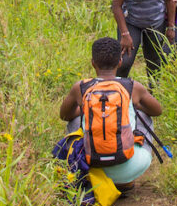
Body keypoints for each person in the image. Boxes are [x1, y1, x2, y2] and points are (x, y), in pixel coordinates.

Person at [59, 37, 163, 191]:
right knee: (144, 115)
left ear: (93, 62)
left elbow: (64, 115)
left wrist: (88, 109)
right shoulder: (133, 86)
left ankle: (91, 175)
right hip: (132, 166)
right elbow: (157, 110)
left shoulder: (80, 87)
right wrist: (134, 106)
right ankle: (124, 180)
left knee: (74, 121)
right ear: (120, 62)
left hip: (92, 165)